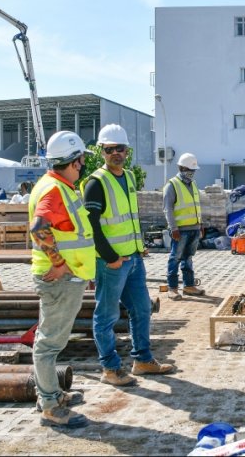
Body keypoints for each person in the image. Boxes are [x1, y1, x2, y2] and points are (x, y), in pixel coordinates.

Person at [84, 124, 173, 387]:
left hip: (133, 258)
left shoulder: (129, 178)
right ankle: (110, 368)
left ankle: (142, 360)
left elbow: (129, 218)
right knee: (107, 316)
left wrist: (138, 245)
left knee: (142, 309)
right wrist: (111, 257)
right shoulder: (95, 183)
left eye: (120, 149)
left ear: (127, 151)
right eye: (110, 149)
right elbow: (93, 226)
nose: (115, 154)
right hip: (111, 263)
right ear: (102, 151)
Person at [28, 131, 94, 428]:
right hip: (60, 280)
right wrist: (60, 264)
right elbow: (39, 227)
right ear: (74, 160)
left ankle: (52, 394)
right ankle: (50, 406)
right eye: (81, 160)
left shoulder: (59, 186)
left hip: (67, 278)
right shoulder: (54, 190)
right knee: (48, 345)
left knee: (52, 341)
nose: (82, 165)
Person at [164, 152, 205, 300]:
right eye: (189, 170)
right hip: (180, 231)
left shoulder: (193, 184)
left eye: (193, 170)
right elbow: (167, 209)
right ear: (181, 168)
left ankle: (188, 286)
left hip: (194, 229)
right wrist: (173, 228)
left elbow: (196, 206)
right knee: (175, 258)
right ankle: (172, 288)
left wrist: (200, 224)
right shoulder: (172, 185)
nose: (191, 173)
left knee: (188, 258)